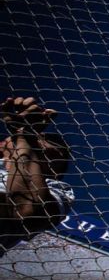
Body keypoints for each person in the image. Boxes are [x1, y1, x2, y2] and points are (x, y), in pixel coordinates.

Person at [1, 96, 73, 254]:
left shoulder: (56, 189)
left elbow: (25, 211)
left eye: (51, 144)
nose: (39, 139)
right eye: (38, 136)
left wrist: (25, 136)